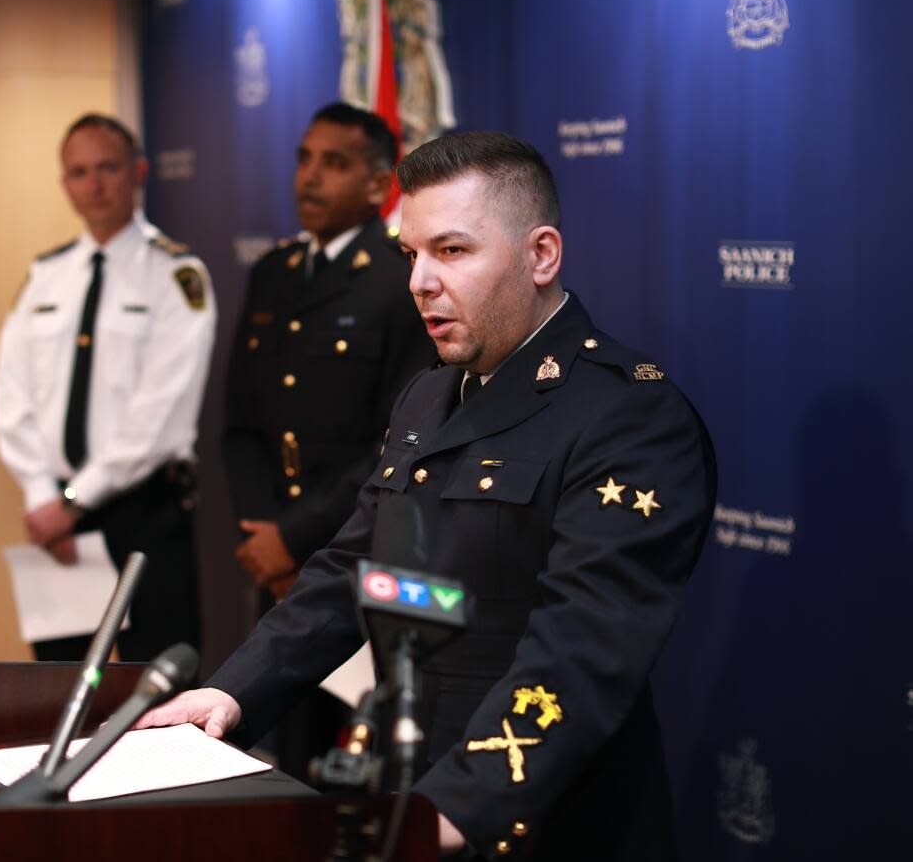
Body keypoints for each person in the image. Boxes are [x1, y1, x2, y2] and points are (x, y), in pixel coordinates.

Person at [138, 131, 717, 859]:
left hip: (536, 820)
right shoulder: (429, 395)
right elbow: (356, 568)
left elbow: (581, 649)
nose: (419, 282)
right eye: (410, 254)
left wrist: (451, 810)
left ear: (541, 255)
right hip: (407, 790)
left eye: (452, 251)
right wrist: (231, 693)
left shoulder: (628, 417)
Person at [222, 102, 434, 780]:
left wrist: (294, 535)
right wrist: (264, 533)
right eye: (304, 159)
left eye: (334, 163)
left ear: (379, 186)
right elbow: (242, 424)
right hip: (276, 563)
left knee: (356, 768)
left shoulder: (400, 278)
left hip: (360, 558)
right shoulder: (275, 271)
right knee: (285, 755)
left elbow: (398, 438)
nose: (310, 178)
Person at [0, 113, 215, 664]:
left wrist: (74, 501)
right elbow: (11, 393)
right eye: (79, 172)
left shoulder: (176, 273)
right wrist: (44, 496)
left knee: (157, 689)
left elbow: (162, 411)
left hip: (144, 511)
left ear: (139, 172)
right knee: (57, 689)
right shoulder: (46, 274)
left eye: (108, 168)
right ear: (65, 183)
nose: (94, 185)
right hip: (56, 517)